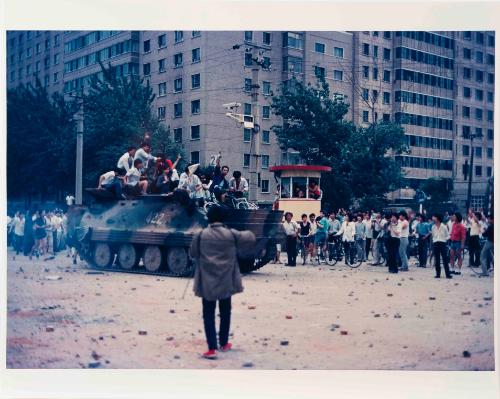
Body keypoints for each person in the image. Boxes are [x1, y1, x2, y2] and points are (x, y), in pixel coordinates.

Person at [189, 205, 256, 359]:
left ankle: (211, 348)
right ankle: (224, 344)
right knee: (225, 312)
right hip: (226, 281)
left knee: (208, 314)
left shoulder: (200, 235)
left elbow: (192, 253)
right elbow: (251, 237)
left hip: (207, 283)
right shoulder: (231, 234)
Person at [431, 214, 452, 279]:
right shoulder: (433, 227)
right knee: (437, 259)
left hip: (442, 243)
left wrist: (444, 240)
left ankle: (447, 274)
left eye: (434, 217)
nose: (433, 218)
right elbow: (433, 235)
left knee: (445, 259)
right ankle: (438, 274)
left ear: (437, 218)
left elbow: (448, 236)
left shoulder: (444, 226)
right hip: (435, 243)